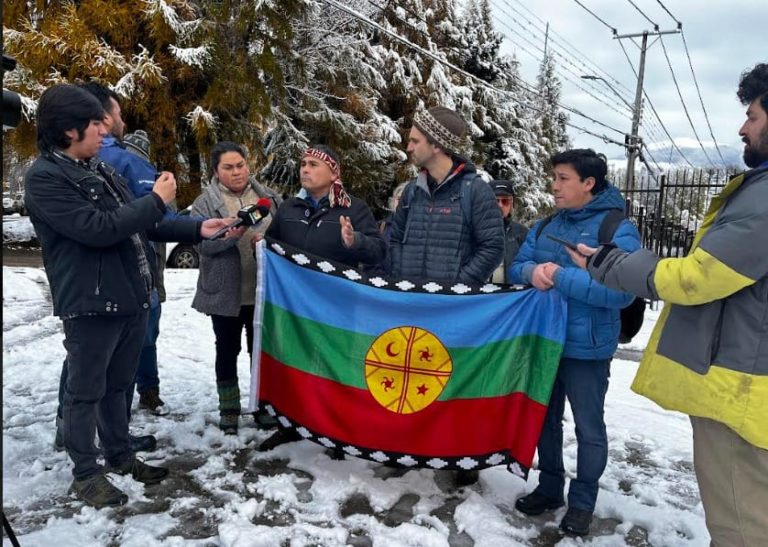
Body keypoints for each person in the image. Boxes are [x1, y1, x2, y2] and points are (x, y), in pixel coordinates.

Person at [566, 63, 768, 547]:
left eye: (753, 115)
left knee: (742, 525)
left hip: (744, 395)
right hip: (746, 385)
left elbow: (697, 277)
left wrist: (607, 263)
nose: (743, 127)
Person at [25, 84, 232, 508]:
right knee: (86, 392)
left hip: (130, 296)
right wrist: (156, 199)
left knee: (119, 385)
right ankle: (86, 474)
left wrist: (198, 228)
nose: (104, 131)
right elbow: (99, 228)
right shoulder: (45, 178)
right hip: (91, 303)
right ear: (68, 131)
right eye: (95, 125)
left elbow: (142, 223)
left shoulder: (98, 168)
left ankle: (120, 456)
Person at [509, 148, 641, 536]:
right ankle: (550, 488)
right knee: (545, 421)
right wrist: (533, 271)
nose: (554, 185)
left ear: (589, 183)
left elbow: (622, 291)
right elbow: (517, 266)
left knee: (588, 427)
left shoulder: (616, 230)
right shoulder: (547, 225)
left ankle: (582, 502)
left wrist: (561, 276)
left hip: (588, 348)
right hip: (546, 343)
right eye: (555, 177)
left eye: (563, 178)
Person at [191, 141, 282, 435]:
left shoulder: (268, 198)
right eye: (228, 168)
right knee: (227, 349)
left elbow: (285, 236)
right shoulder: (204, 203)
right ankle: (229, 409)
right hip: (226, 292)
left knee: (262, 351)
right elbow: (203, 246)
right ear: (216, 172)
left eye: (240, 165)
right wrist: (234, 233)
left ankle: (263, 406)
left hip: (263, 291)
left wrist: (268, 244)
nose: (236, 172)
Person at [389, 106, 504, 283]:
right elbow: (395, 240)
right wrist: (400, 277)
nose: (409, 147)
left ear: (435, 145)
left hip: (452, 306)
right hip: (410, 301)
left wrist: (458, 286)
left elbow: (493, 248)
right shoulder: (412, 190)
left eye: (415, 141)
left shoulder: (475, 191)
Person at [265, 145, 386, 267]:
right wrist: (259, 246)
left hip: (332, 285)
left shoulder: (354, 208)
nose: (305, 170)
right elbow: (269, 249)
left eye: (313, 164)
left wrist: (355, 241)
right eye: (303, 164)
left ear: (333, 174)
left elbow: (379, 252)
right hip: (292, 285)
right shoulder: (288, 207)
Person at [489, 179, 528, 283]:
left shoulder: (522, 233)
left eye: (505, 201)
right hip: (481, 295)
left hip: (510, 295)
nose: (500, 205)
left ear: (511, 204)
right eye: (495, 200)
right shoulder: (474, 230)